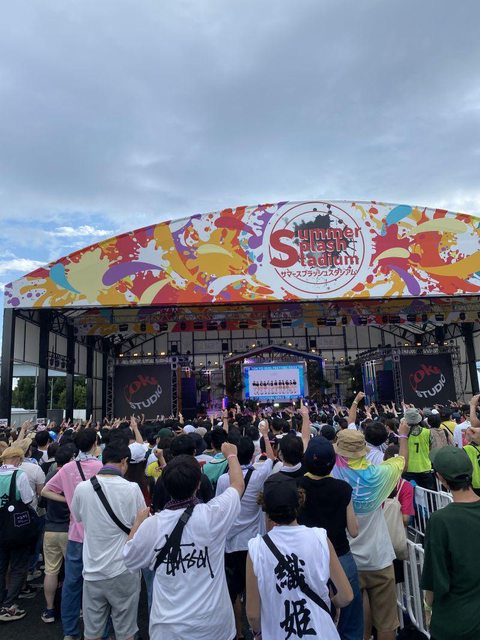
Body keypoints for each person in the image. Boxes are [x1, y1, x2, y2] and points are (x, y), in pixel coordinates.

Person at [123, 442, 244, 640]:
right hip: (213, 626)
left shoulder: (152, 525)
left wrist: (137, 523)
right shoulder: (213, 515)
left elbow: (129, 557)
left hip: (168, 629)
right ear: (198, 485)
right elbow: (237, 485)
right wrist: (231, 455)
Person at [246, 473, 353, 640]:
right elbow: (346, 595)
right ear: (299, 502)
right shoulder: (319, 538)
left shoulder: (256, 548)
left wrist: (258, 631)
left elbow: (253, 614)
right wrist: (330, 606)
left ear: (266, 509)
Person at [332, 420, 409, 640]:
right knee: (386, 621)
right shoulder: (377, 475)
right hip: (379, 557)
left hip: (347, 559)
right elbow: (402, 463)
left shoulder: (334, 476)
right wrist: (403, 436)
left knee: (354, 620)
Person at [72, 442, 146, 640]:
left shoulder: (82, 488)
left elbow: (78, 517)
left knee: (92, 632)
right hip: (123, 569)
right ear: (124, 461)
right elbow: (141, 526)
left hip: (92, 569)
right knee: (126, 630)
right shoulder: (132, 489)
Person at [41, 428, 103, 640]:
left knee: (71, 583)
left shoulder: (67, 468)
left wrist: (68, 500)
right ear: (95, 444)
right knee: (97, 582)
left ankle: (70, 632)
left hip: (75, 533)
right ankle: (97, 630)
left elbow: (45, 490)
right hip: (97, 534)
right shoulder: (100, 467)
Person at [298, 436, 362, 640]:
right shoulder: (343, 488)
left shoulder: (297, 487)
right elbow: (354, 530)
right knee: (351, 619)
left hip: (308, 558)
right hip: (341, 556)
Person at [216, 423, 275, 639]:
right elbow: (271, 458)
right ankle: (257, 630)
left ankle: (238, 632)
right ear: (252, 456)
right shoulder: (259, 475)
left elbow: (220, 506)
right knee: (255, 588)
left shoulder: (224, 480)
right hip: (254, 541)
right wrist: (265, 435)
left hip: (230, 543)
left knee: (233, 592)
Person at [421, 446, 480, 640]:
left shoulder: (440, 521)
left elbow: (434, 575)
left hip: (455, 621)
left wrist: (427, 607)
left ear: (441, 478)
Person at [0, 445, 35, 621]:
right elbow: (28, 499)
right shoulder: (20, 475)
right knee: (18, 565)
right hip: (15, 526)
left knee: (1, 565)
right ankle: (8, 605)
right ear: (17, 459)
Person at [41, 444, 75, 624]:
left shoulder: (50, 476)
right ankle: (76, 608)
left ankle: (49, 610)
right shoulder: (74, 476)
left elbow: (42, 501)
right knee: (73, 571)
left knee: (50, 570)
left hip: (50, 528)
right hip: (69, 530)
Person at [403, 408, 435, 490]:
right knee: (429, 495)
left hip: (409, 469)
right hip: (425, 468)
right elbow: (431, 447)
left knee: (411, 495)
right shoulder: (427, 432)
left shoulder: (404, 435)